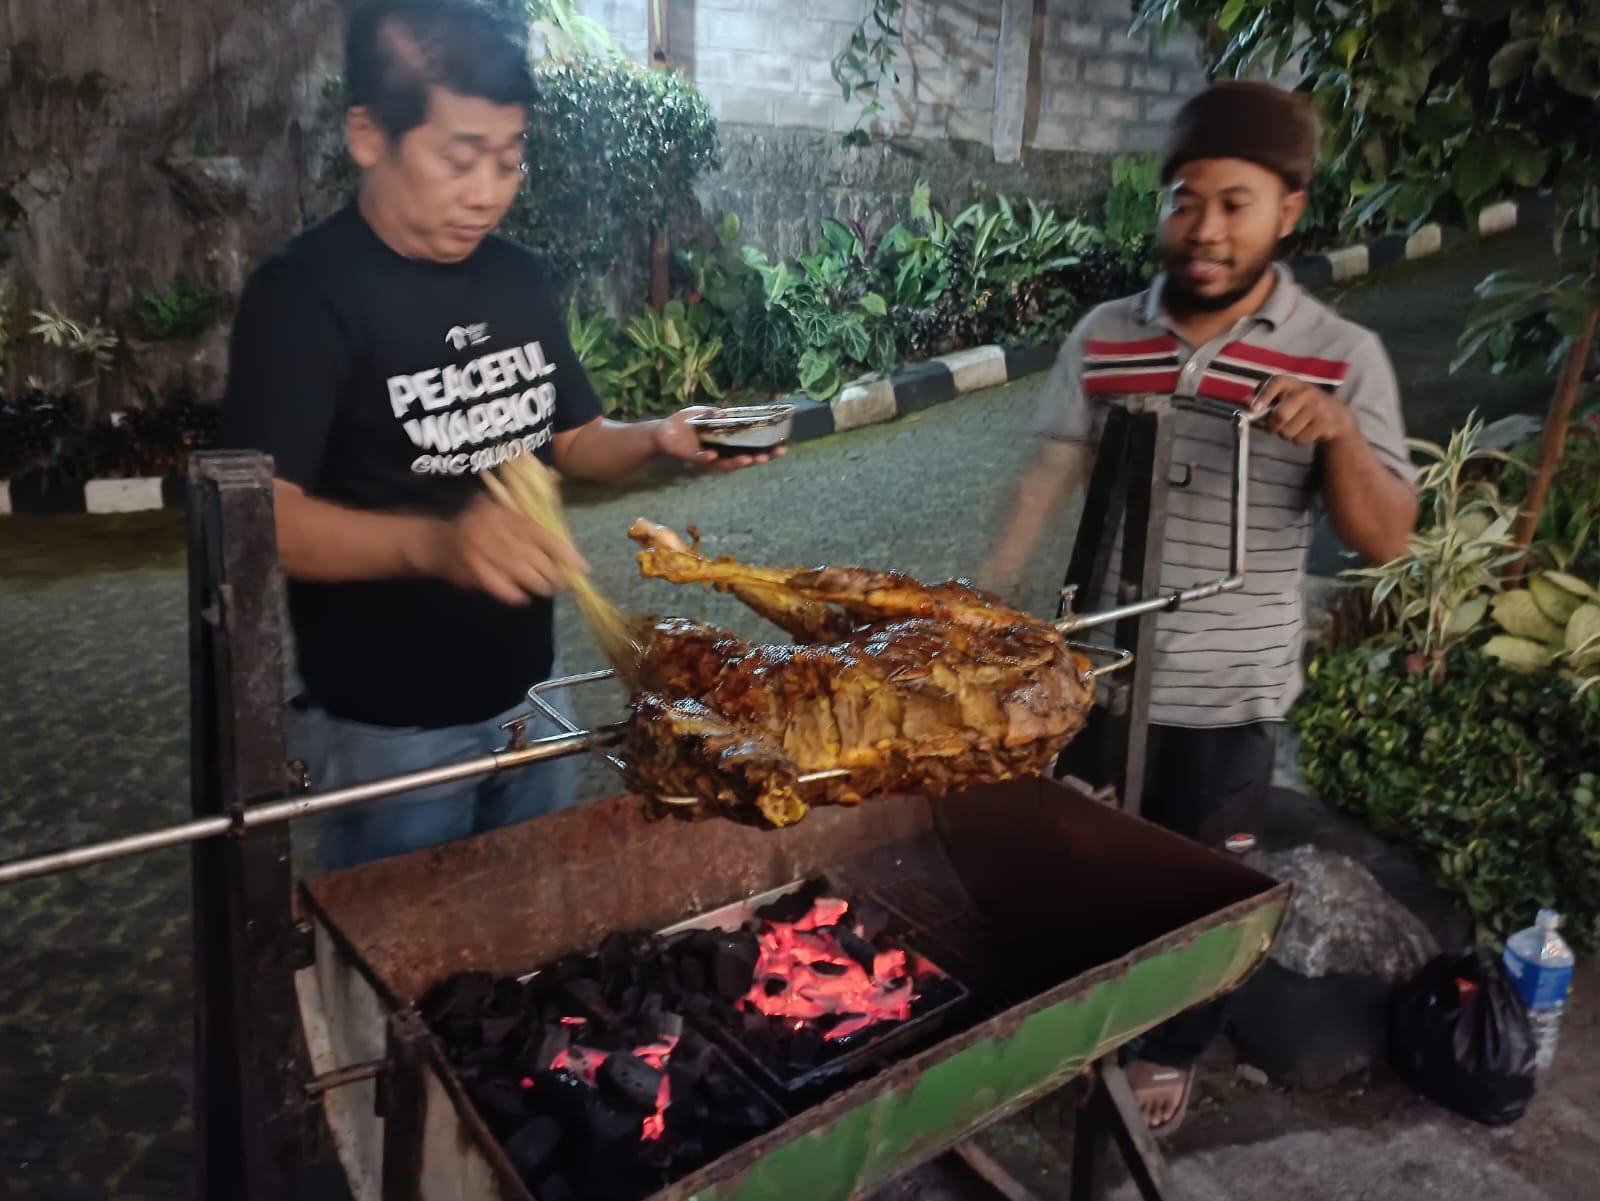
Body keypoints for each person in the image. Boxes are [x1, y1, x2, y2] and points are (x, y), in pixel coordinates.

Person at [221, 0, 776, 872]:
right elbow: (265, 522)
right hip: (392, 728)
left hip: (530, 692)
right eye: (460, 157)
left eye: (509, 158)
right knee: (400, 959)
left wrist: (660, 442)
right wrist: (438, 543)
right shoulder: (305, 296)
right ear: (370, 134)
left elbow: (572, 438)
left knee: (521, 944)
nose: (488, 190)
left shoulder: (516, 278)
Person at [980, 81, 1419, 1132]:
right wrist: (986, 611)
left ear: (1288, 212)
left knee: (1193, 891)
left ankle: (1168, 1047)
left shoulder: (1339, 357)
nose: (1206, 228)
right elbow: (1045, 479)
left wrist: (1340, 435)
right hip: (1096, 678)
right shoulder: (1105, 335)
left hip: (1227, 693)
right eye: (1185, 199)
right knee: (1078, 865)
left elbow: (1386, 534)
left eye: (1235, 202)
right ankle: (1071, 1025)